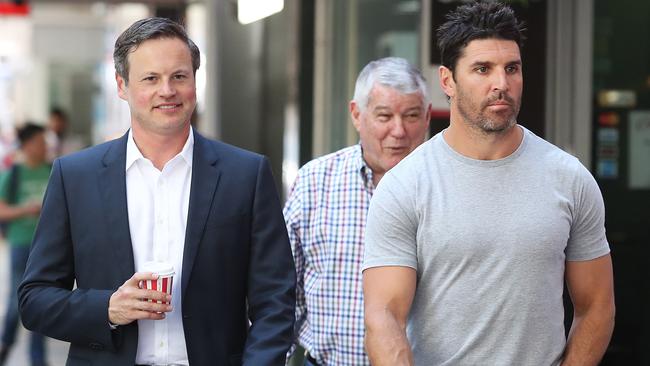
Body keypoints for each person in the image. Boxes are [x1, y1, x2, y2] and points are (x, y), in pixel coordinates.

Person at [18, 17, 295, 366]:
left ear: (195, 80)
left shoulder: (246, 175)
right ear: (122, 85)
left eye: (179, 76)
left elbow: (276, 299)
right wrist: (107, 308)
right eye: (151, 78)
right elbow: (34, 300)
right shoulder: (74, 177)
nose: (168, 90)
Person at [362, 2, 615, 366]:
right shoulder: (406, 186)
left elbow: (597, 306)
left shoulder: (569, 178)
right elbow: (384, 317)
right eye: (483, 69)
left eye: (512, 68)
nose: (502, 84)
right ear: (447, 80)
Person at [285, 57, 431, 365]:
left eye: (411, 115)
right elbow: (284, 293)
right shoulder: (315, 181)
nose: (399, 130)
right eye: (384, 116)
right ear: (356, 114)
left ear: (428, 116)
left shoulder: (449, 188)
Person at [0, 123, 51, 366]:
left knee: (41, 301)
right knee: (15, 304)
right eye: (41, 142)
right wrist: (26, 210)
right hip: (21, 244)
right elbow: (1, 211)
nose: (45, 147)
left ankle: (38, 359)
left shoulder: (54, 170)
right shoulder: (14, 174)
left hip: (47, 247)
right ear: (28, 145)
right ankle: (5, 343)